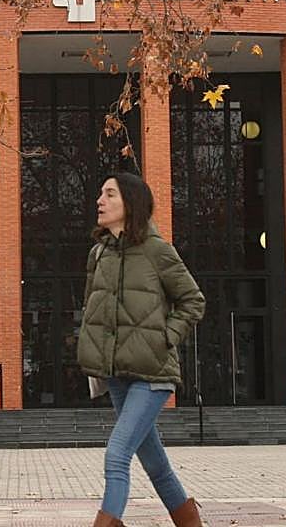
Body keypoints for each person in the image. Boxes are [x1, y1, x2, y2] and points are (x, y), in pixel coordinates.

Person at [78, 172, 207, 527]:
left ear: (130, 203)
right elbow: (94, 305)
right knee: (155, 463)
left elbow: (193, 302)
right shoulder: (98, 253)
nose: (99, 201)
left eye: (109, 194)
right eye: (100, 194)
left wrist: (164, 338)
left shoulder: (157, 251)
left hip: (153, 374)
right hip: (117, 375)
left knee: (117, 454)